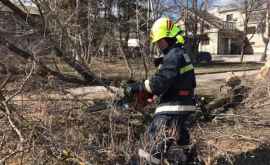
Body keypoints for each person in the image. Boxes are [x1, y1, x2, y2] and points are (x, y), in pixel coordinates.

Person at [125, 17, 197, 164]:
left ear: (167, 37)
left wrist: (138, 87)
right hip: (184, 108)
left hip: (171, 110)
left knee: (148, 152)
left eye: (159, 41)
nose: (158, 45)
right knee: (182, 150)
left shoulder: (174, 55)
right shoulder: (182, 54)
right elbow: (175, 82)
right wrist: (150, 95)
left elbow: (159, 82)